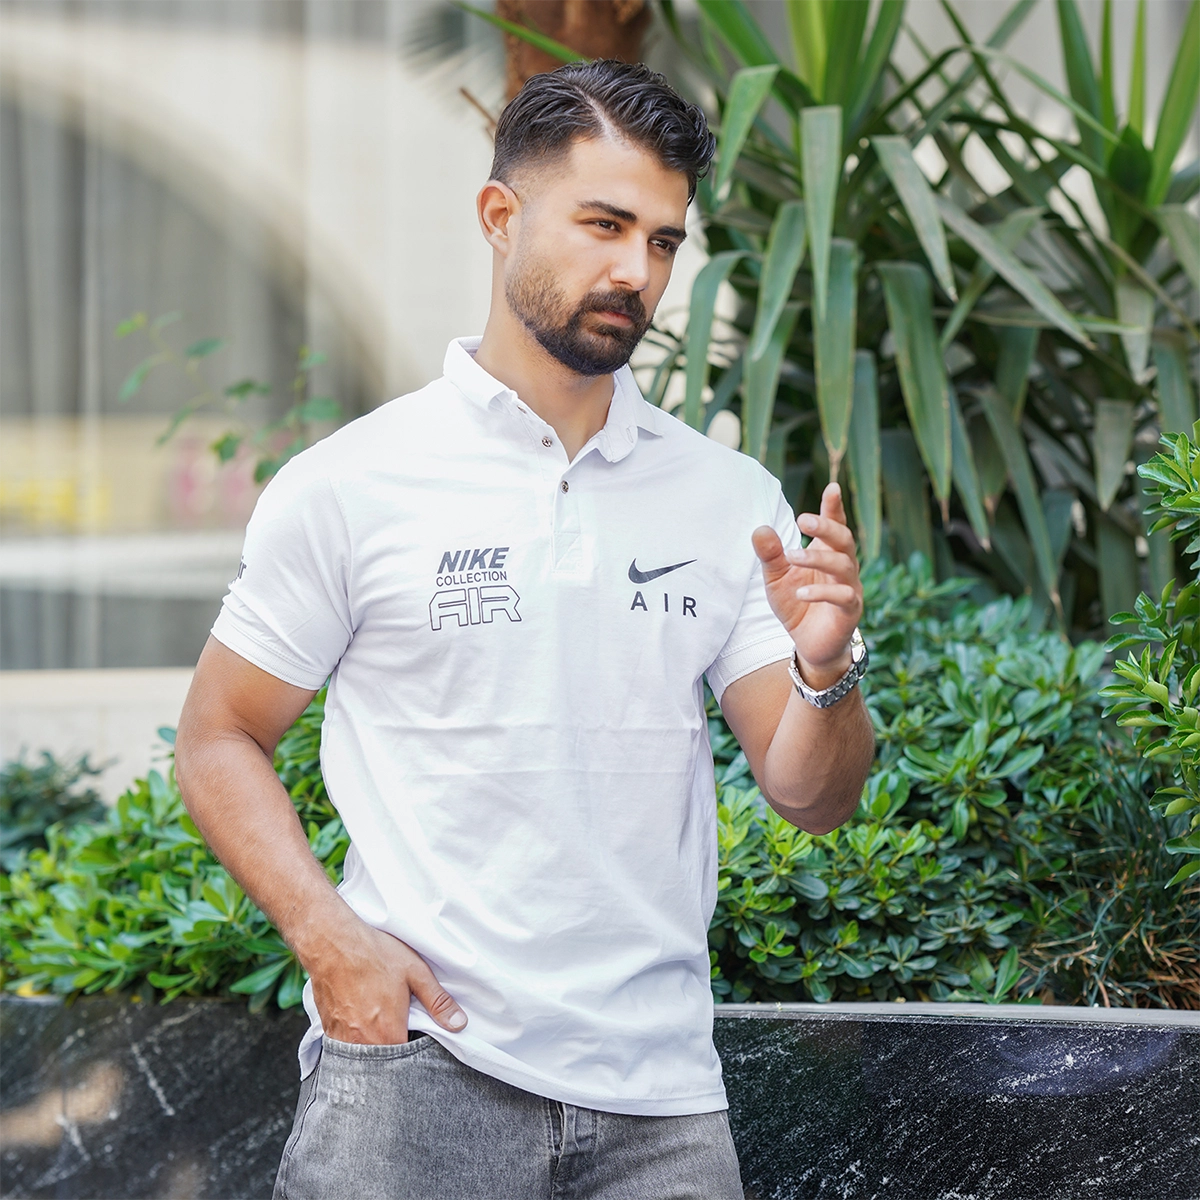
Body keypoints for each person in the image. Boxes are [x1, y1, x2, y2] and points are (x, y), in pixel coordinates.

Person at [175, 59, 874, 1200]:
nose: (635, 270)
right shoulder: (352, 483)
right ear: (500, 216)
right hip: (412, 1082)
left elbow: (812, 794)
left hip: (662, 1109)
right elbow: (217, 737)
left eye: (662, 241)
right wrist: (330, 941)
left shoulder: (728, 498)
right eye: (604, 224)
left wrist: (825, 668)